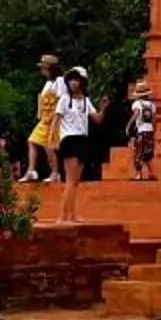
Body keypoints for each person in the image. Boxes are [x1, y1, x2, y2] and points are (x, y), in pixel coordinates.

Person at [53, 67, 106, 224]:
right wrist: (53, 140)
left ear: (82, 82)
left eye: (76, 79)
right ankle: (62, 216)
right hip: (69, 139)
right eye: (71, 79)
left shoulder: (85, 101)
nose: (73, 83)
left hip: (83, 139)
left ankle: (72, 214)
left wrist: (103, 108)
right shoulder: (63, 99)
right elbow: (56, 121)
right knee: (70, 180)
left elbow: (97, 120)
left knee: (75, 181)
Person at [24, 55, 63, 183]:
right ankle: (31, 170)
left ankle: (55, 172)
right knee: (32, 141)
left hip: (53, 120)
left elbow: (60, 101)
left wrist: (55, 120)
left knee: (49, 146)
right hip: (45, 119)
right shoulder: (48, 83)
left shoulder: (60, 82)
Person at [127, 81, 158, 181]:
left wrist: (129, 124)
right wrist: (154, 130)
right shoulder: (152, 105)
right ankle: (151, 173)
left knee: (138, 153)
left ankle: (139, 174)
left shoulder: (137, 104)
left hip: (141, 131)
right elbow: (154, 119)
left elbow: (137, 113)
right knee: (148, 154)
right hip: (149, 131)